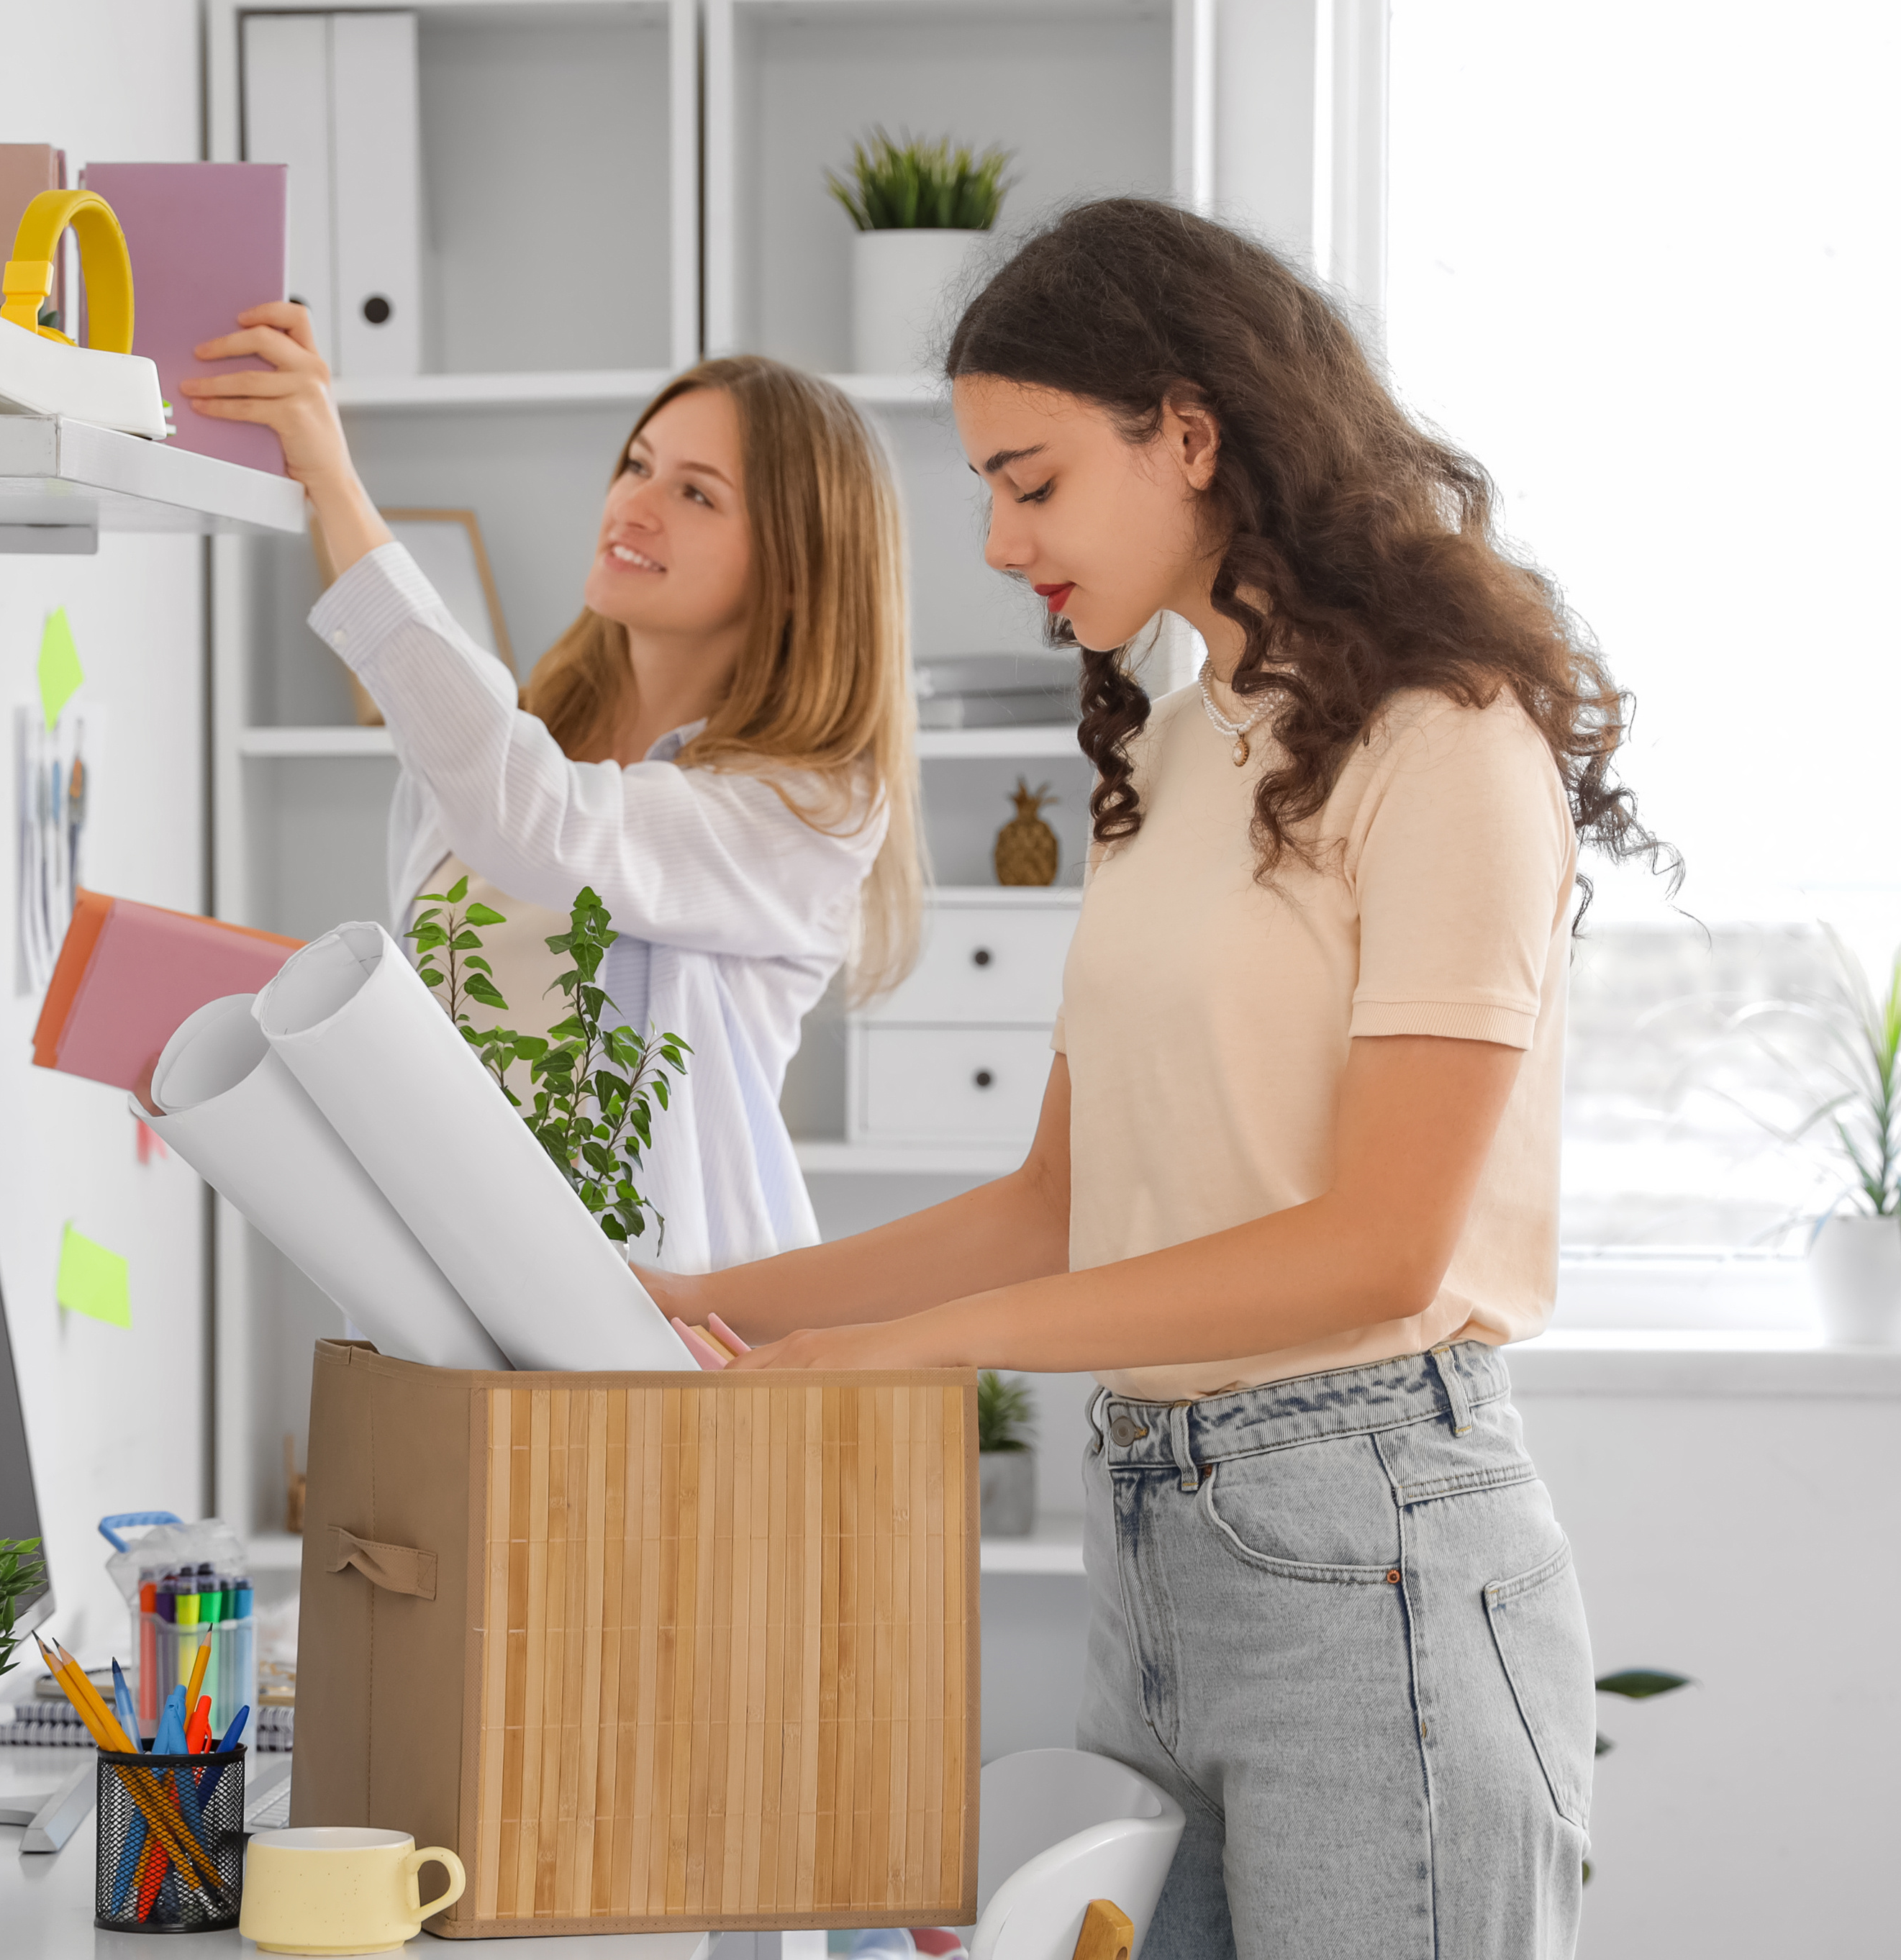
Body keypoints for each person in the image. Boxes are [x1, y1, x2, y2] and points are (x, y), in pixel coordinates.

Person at [642, 199, 1677, 1956]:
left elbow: (1379, 1252)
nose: (992, 538)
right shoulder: (1181, 743)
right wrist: (687, 1301)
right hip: (1155, 1540)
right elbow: (1053, 1205)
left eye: (1029, 480)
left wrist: (884, 1358)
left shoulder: (1446, 739)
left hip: (1367, 1547)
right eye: (983, 486)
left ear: (1187, 435)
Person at [183, 308, 921, 1268]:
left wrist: (334, 481)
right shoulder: (522, 745)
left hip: (661, 1327)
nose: (634, 506)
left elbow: (540, 825)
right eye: (637, 464)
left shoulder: (806, 811)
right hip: (466, 1282)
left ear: (795, 570)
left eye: (696, 494)